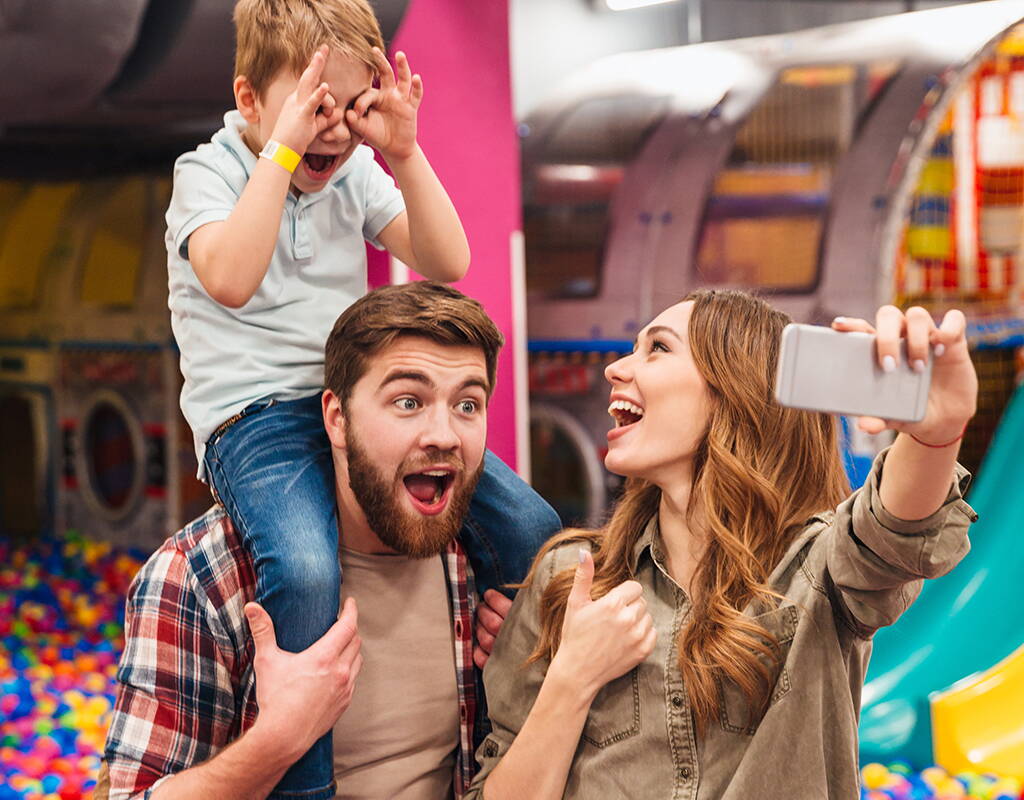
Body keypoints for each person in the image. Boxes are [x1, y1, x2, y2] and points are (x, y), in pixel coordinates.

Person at [164, 1, 557, 795]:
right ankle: (308, 779)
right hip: (254, 419)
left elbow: (446, 259)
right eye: (314, 106)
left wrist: (405, 153)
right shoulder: (207, 172)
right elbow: (232, 279)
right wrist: (282, 153)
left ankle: (503, 722)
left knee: (533, 527)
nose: (335, 129)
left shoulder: (355, 173)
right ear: (250, 101)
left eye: (351, 106)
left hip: (348, 404)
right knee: (307, 566)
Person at [468, 290, 978, 799]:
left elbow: (898, 534)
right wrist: (572, 677)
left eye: (658, 349)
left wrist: (934, 436)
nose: (616, 369)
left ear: (734, 389)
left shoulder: (817, 569)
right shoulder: (572, 577)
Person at [99, 282, 559, 800]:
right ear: (337, 420)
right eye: (408, 401)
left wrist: (546, 677)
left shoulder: (483, 566)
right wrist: (276, 742)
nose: (444, 434)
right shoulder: (203, 577)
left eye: (468, 405)